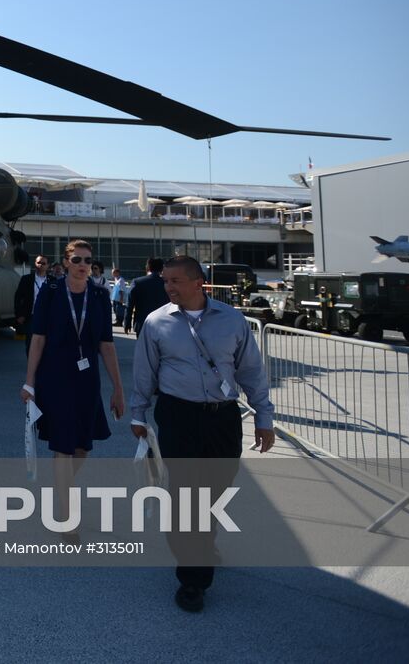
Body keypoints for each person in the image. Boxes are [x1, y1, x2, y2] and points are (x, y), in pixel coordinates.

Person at [127, 256, 275, 613]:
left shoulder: (232, 320)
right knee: (186, 496)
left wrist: (264, 417)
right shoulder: (156, 322)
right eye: (166, 281)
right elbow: (144, 371)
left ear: (199, 283)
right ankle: (193, 580)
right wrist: (138, 414)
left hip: (222, 418)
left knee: (215, 488)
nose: (169, 287)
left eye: (176, 281)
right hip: (178, 415)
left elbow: (252, 371)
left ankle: (201, 542)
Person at [20, 240, 126, 539]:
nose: (83, 265)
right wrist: (29, 382)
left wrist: (118, 388)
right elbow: (38, 339)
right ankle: (67, 515)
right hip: (55, 376)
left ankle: (60, 488)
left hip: (87, 377)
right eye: (77, 259)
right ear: (66, 262)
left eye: (88, 261)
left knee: (81, 447)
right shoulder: (52, 294)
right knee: (63, 445)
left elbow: (107, 344)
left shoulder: (99, 295)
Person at [13, 254, 51, 353]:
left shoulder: (52, 281)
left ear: (47, 266)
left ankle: (43, 366)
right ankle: (32, 365)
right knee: (30, 343)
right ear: (35, 264)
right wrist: (19, 314)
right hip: (31, 316)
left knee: (47, 344)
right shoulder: (26, 279)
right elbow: (18, 298)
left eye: (43, 263)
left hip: (48, 318)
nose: (41, 265)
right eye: (39, 263)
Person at [125, 257, 169, 335]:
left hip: (142, 324)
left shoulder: (137, 282)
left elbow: (129, 305)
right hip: (164, 324)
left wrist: (127, 323)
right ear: (162, 268)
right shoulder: (167, 283)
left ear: (147, 267)